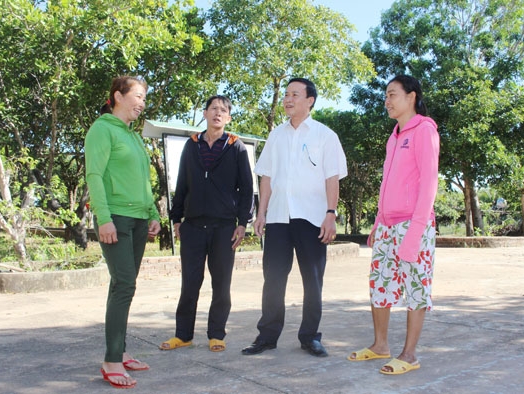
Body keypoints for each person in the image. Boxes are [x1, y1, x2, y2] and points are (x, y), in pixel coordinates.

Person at [241, 78, 347, 358]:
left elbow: (332, 178)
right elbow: (267, 177)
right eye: (286, 94)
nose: (288, 99)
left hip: (312, 218)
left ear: (310, 100)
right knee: (273, 278)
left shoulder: (325, 136)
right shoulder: (276, 135)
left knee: (312, 280)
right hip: (278, 217)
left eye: (294, 94)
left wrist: (330, 215)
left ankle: (310, 336)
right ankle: (267, 336)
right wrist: (261, 212)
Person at [346, 75, 439, 375]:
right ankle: (380, 345)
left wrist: (415, 232)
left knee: (416, 288)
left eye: (392, 95)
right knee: (380, 285)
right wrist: (377, 222)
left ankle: (409, 355)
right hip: (388, 225)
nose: (386, 101)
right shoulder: (394, 135)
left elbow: (428, 184)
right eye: (385, 96)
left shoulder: (424, 130)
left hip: (415, 225)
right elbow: (387, 183)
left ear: (411, 96)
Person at [160, 95, 254, 353]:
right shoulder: (192, 145)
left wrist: (242, 223)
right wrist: (176, 218)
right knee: (190, 283)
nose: (218, 113)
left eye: (223, 110)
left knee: (221, 284)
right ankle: (183, 335)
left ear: (229, 118)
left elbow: (246, 189)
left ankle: (216, 334)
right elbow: (182, 183)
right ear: (204, 113)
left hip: (224, 228)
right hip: (192, 226)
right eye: (214, 109)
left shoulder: (236, 147)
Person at [85, 76, 161, 389]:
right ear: (118, 95)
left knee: (125, 286)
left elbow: (144, 180)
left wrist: (154, 213)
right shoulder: (102, 129)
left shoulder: (133, 136)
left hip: (139, 219)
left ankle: (121, 349)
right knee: (124, 284)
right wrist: (103, 219)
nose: (142, 103)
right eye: (138, 96)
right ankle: (112, 360)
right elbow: (95, 175)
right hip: (115, 218)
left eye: (145, 98)